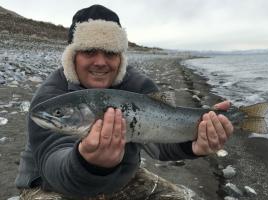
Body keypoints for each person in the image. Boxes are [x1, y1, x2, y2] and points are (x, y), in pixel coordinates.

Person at [15, 4, 234, 200]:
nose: (100, 62)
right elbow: (54, 164)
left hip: (118, 180)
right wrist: (88, 163)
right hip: (50, 185)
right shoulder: (52, 97)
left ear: (120, 57)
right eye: (89, 51)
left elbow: (158, 142)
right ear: (73, 56)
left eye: (110, 52)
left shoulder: (138, 86)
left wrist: (194, 142)